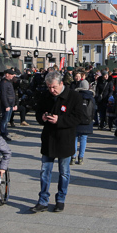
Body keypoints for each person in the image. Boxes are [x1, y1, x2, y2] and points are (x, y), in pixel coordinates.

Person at [31, 71, 84, 213]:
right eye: (49, 87)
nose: (51, 90)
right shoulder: (46, 95)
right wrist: (41, 117)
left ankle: (60, 199)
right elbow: (37, 112)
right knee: (44, 171)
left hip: (65, 139)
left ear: (61, 83)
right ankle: (43, 200)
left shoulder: (74, 96)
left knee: (64, 172)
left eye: (54, 87)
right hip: (48, 138)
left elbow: (79, 117)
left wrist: (59, 120)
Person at [73, 77, 95, 165]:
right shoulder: (91, 97)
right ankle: (81, 157)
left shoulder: (75, 96)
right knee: (83, 139)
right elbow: (94, 109)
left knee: (74, 138)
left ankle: (73, 157)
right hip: (87, 121)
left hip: (76, 120)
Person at [0, 69, 17, 141]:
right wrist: (6, 105)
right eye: (11, 75)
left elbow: (12, 94)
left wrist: (14, 104)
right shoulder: (4, 82)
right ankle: (3, 134)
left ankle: (5, 133)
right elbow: (3, 95)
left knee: (7, 120)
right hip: (7, 105)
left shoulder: (9, 82)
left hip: (10, 104)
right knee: (5, 120)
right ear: (7, 74)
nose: (13, 76)